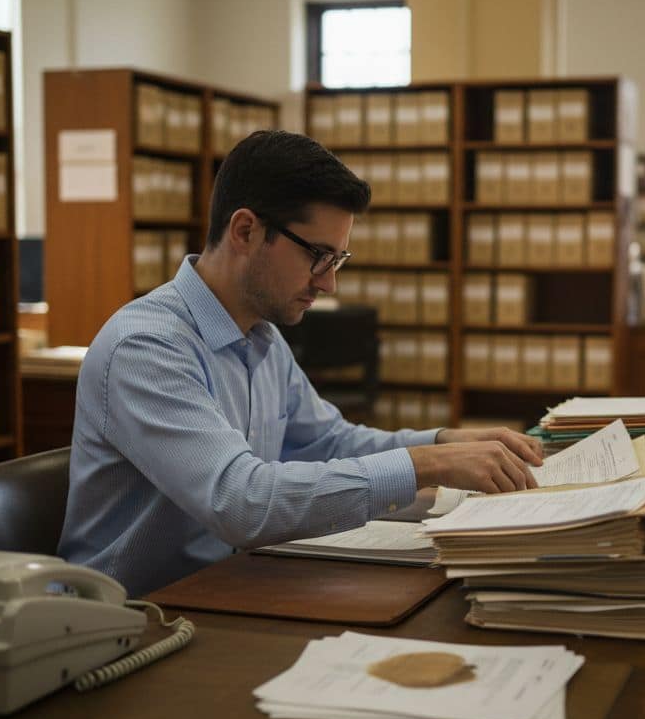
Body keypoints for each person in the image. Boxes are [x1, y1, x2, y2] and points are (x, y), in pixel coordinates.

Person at [59, 130, 544, 596]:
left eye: (337, 259)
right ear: (245, 231)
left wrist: (442, 443)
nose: (328, 283)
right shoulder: (147, 347)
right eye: (318, 256)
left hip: (229, 590)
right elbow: (239, 501)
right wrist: (427, 464)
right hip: (135, 616)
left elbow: (328, 443)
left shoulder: (261, 337)